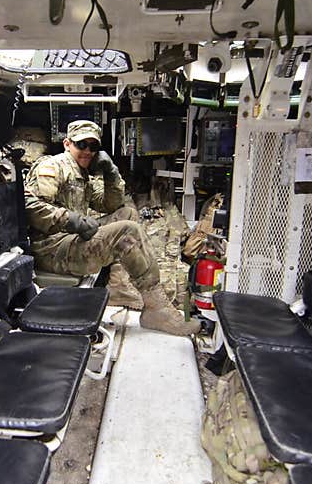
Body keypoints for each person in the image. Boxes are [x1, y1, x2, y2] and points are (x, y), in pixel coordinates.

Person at [24, 119, 200, 337]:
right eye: (81, 145)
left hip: (69, 241)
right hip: (53, 250)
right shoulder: (53, 166)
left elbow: (112, 204)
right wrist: (70, 219)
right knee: (127, 230)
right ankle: (156, 307)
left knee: (127, 214)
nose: (87, 151)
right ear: (67, 143)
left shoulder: (82, 173)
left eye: (93, 146)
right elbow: (30, 206)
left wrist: (111, 173)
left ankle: (127, 290)